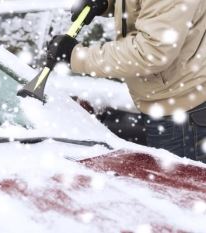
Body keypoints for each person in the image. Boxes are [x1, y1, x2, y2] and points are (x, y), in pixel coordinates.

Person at [47, 0, 206, 162]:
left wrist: (77, 56)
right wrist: (106, 3)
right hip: (167, 102)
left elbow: (151, 53)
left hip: (182, 113)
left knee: (176, 184)